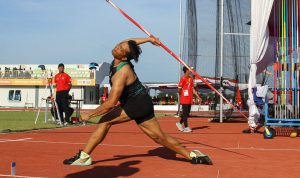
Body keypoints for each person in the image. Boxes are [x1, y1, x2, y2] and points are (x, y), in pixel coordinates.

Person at [63, 37, 212, 166]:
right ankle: (193, 156)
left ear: (124, 57)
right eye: (119, 45)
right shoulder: (120, 57)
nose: (117, 46)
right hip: (141, 102)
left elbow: (111, 102)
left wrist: (89, 115)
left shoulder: (122, 72)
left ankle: (84, 157)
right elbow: (130, 41)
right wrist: (149, 39)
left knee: (104, 121)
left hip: (137, 104)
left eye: (121, 48)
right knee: (159, 138)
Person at [176, 66, 201, 132]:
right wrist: (182, 95)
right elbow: (179, 89)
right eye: (190, 69)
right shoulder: (183, 78)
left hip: (189, 98)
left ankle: (179, 123)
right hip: (184, 99)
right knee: (185, 113)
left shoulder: (191, 78)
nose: (191, 70)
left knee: (187, 113)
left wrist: (198, 96)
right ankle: (186, 127)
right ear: (186, 70)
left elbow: (192, 89)